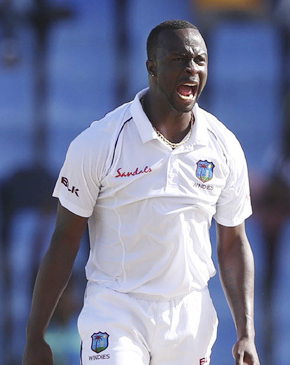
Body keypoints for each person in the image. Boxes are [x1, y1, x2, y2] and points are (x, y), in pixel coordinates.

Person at [23, 20, 259, 365]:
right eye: (178, 59)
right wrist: (35, 335)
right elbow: (64, 240)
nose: (192, 70)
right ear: (152, 67)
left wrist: (246, 333)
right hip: (117, 307)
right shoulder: (100, 142)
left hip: (189, 313)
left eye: (200, 60)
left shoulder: (223, 146)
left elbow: (233, 242)